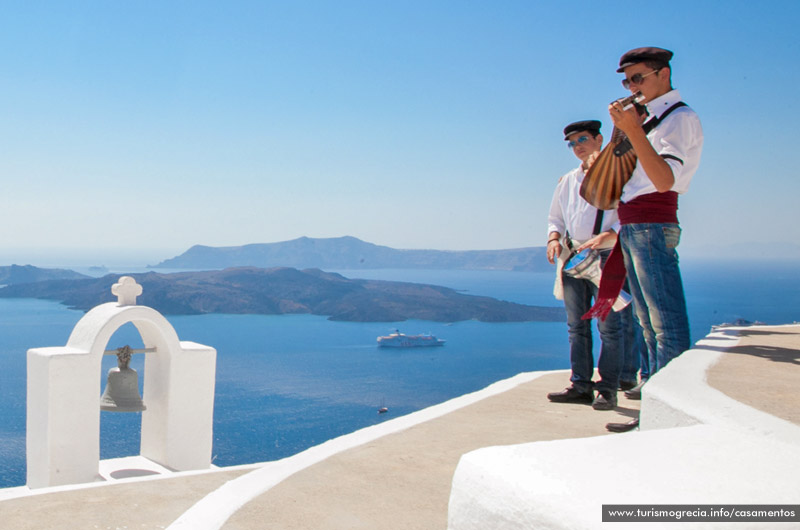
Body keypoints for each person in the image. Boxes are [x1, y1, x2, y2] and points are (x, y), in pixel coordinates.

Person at [595, 47, 704, 431]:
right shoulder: (653, 118)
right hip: (635, 225)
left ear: (664, 73)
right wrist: (623, 130)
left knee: (665, 321)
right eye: (626, 81)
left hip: (652, 224)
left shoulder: (679, 118)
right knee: (646, 321)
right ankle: (657, 403)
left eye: (637, 78)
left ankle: (668, 415)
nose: (631, 87)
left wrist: (635, 130)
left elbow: (663, 180)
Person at [546, 120, 623, 411]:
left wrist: (611, 234)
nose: (578, 146)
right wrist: (553, 238)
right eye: (572, 143)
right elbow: (556, 217)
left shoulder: (619, 174)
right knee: (576, 326)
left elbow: (628, 212)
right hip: (574, 256)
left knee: (608, 327)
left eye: (583, 140)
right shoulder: (567, 180)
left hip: (605, 256)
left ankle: (608, 388)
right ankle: (581, 385)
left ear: (599, 139)